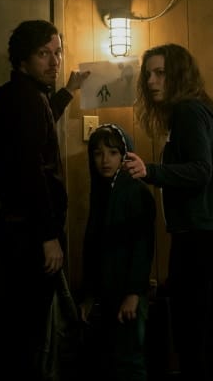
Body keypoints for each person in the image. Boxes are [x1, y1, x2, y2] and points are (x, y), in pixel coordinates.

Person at [122, 43, 213, 381]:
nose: (151, 81)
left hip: (198, 238)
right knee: (212, 336)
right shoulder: (205, 114)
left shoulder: (188, 113)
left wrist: (150, 171)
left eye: (160, 73)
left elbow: (201, 171)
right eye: (148, 74)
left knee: (192, 339)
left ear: (178, 75)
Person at [0, 19, 89, 381]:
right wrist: (48, 236)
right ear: (23, 59)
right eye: (44, 53)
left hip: (21, 230)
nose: (55, 61)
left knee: (28, 330)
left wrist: (68, 92)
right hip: (28, 235)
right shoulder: (24, 100)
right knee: (31, 334)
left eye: (57, 52)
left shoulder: (22, 96)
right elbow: (30, 170)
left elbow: (38, 130)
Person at [79, 124, 156, 381]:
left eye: (112, 153)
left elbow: (142, 246)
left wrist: (133, 293)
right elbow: (92, 247)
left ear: (125, 155)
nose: (105, 160)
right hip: (105, 293)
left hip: (128, 292)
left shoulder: (135, 191)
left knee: (130, 361)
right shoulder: (101, 192)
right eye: (98, 153)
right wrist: (88, 295)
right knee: (109, 361)